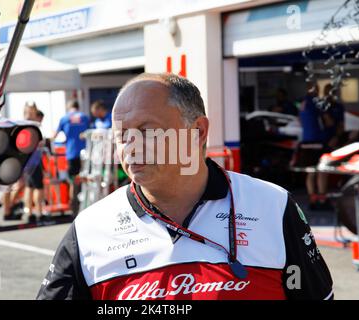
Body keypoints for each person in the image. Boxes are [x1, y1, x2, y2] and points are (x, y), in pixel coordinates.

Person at [37, 73, 333, 300]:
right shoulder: (89, 228)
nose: (131, 146)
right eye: (121, 134)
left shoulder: (273, 206)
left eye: (147, 130)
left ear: (198, 131)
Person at [53, 100, 90, 215]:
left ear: (69, 107)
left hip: (71, 153)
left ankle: (74, 207)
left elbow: (54, 135)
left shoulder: (64, 118)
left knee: (73, 181)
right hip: (85, 154)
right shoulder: (84, 117)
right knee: (86, 179)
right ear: (78, 107)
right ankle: (86, 205)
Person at [3, 102, 39, 220]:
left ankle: (10, 207)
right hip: (21, 160)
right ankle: (8, 210)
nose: (31, 114)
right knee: (14, 186)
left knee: (21, 185)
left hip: (25, 160)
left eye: (33, 112)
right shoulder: (24, 125)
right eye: (29, 112)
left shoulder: (31, 124)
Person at [24, 109, 46, 223]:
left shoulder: (25, 127)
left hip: (28, 162)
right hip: (34, 161)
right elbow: (40, 144)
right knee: (38, 188)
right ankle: (39, 212)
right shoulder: (34, 128)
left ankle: (30, 212)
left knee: (29, 187)